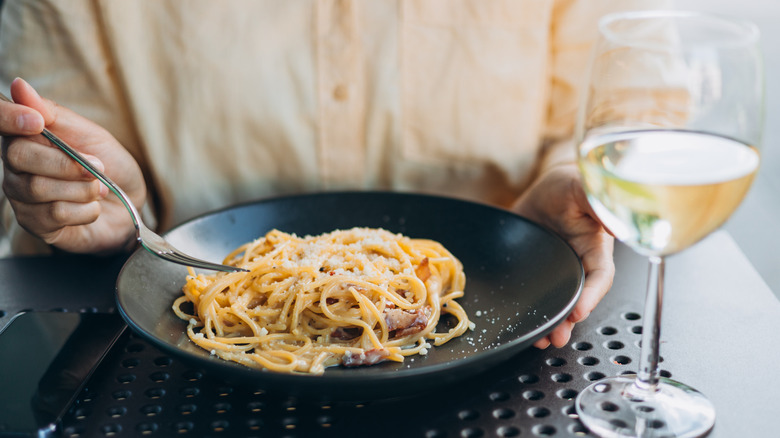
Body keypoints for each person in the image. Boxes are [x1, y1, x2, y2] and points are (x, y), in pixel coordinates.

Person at [0, 0, 664, 349]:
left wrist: (574, 176)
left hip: (507, 320)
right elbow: (50, 165)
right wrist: (100, 204)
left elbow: (637, 100)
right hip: (177, 334)